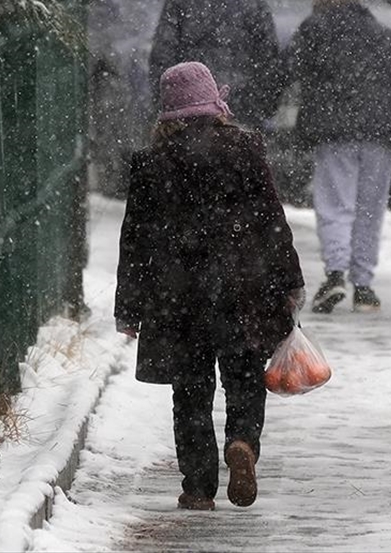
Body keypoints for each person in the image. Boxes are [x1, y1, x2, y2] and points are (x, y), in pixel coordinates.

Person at [115, 61, 305, 511]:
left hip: (177, 295)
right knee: (243, 377)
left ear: (167, 111)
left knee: (191, 390)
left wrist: (129, 305)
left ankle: (198, 486)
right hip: (242, 288)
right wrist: (289, 281)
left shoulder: (151, 164)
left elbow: (135, 239)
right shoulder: (244, 149)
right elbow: (272, 222)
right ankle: (241, 441)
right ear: (214, 102)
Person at [284, 0, 391, 314]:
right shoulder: (383, 35)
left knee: (335, 205)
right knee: (370, 210)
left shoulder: (315, 29)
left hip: (335, 132)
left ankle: (334, 275)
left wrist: (262, 107)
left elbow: (285, 70)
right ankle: (364, 287)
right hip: (380, 133)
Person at [149, 0, 281, 129]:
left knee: (192, 152)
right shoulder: (254, 1)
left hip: (190, 110)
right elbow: (269, 60)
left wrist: (165, 105)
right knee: (238, 152)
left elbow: (162, 56)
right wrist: (263, 107)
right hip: (242, 107)